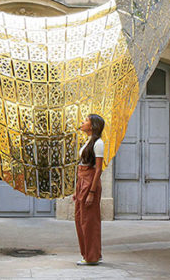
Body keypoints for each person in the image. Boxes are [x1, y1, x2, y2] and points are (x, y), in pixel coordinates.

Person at [74, 113, 105, 266]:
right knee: (80, 219)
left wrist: (91, 192)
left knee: (89, 220)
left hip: (90, 182)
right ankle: (89, 253)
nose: (82, 122)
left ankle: (91, 257)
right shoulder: (88, 141)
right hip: (83, 181)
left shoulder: (98, 143)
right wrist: (77, 190)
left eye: (86, 120)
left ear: (92, 126)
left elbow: (98, 170)